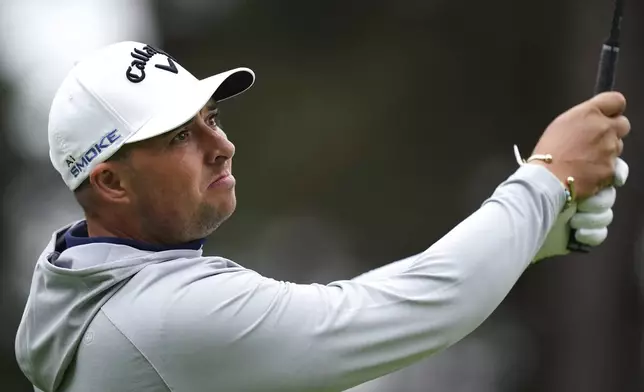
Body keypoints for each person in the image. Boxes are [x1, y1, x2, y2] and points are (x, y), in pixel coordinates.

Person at [15, 41, 630, 392]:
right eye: (179, 136)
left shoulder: (99, 301)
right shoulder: (159, 320)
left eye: (213, 119)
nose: (221, 146)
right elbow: (405, 309)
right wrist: (548, 177)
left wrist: (530, 238)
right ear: (111, 182)